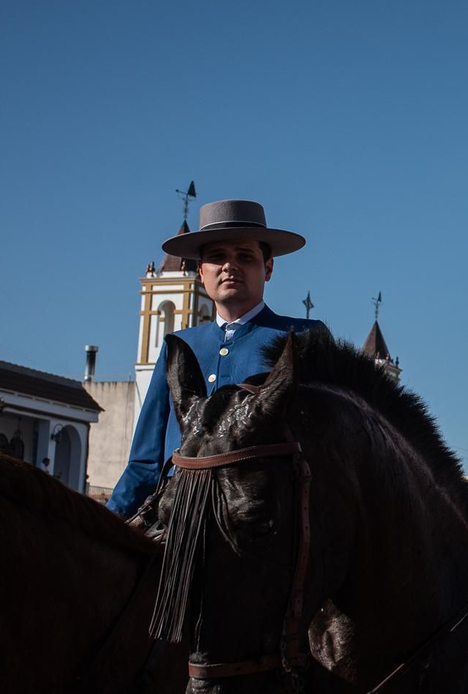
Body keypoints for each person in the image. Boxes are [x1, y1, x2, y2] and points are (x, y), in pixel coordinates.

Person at [108, 200, 321, 518]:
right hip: (176, 516)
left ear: (268, 268)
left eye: (244, 256)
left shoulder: (302, 340)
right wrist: (109, 520)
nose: (229, 266)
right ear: (202, 271)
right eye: (217, 257)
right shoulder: (179, 346)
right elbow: (145, 460)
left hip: (262, 520)